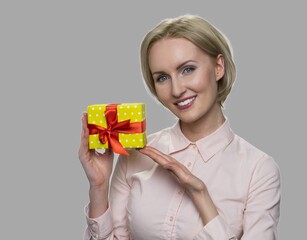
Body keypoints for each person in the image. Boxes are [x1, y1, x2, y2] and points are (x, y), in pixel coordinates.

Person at [78, 14, 281, 240]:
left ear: (218, 67)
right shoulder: (135, 155)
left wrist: (200, 194)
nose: (176, 90)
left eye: (187, 69)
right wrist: (98, 186)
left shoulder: (258, 170)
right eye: (162, 77)